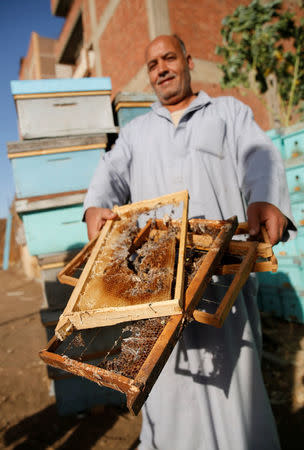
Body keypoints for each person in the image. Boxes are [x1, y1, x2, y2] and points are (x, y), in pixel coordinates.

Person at [84, 35, 295, 450]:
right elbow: (108, 175)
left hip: (222, 284)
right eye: (152, 64)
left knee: (237, 395)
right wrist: (96, 208)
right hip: (157, 290)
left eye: (168, 58)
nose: (160, 68)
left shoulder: (228, 113)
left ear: (188, 61)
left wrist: (266, 196)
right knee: (168, 393)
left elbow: (260, 157)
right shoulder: (136, 133)